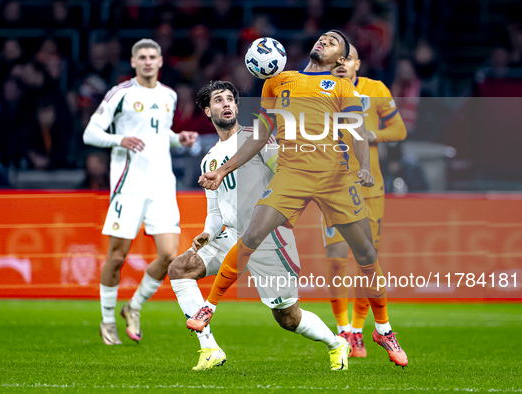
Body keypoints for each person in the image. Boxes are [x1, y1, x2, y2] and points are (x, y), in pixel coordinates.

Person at [189, 30, 408, 367]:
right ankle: (209, 307)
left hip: (336, 178)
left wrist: (363, 167)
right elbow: (261, 134)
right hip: (292, 174)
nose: (324, 40)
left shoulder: (342, 87)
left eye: (334, 41)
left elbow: (356, 131)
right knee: (251, 235)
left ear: (341, 60)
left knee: (365, 254)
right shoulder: (278, 80)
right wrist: (222, 170)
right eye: (323, 37)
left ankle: (383, 328)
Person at [168, 80, 349, 371]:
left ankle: (337, 343)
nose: (226, 104)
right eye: (218, 100)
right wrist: (208, 232)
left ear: (237, 107)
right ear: (206, 110)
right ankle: (209, 348)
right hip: (230, 237)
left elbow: (286, 173)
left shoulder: (257, 139)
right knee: (180, 268)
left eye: (230, 99)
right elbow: (215, 210)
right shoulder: (209, 160)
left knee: (288, 318)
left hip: (268, 238)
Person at [83, 38, 198, 345]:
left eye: (152, 57)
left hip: (162, 185)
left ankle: (133, 307)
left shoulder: (169, 96)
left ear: (160, 62)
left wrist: (179, 139)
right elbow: (90, 132)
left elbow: (159, 134)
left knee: (169, 255)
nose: (148, 61)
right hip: (129, 185)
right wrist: (119, 140)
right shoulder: (120, 93)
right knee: (117, 257)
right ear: (134, 62)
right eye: (142, 57)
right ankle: (107, 321)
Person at [323, 44, 407, 357]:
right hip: (333, 186)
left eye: (348, 58)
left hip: (370, 188)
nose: (342, 63)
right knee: (335, 259)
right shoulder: (322, 91)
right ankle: (342, 328)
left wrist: (373, 135)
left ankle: (358, 331)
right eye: (337, 59)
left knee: (366, 261)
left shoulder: (375, 89)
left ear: (358, 63)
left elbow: (399, 129)